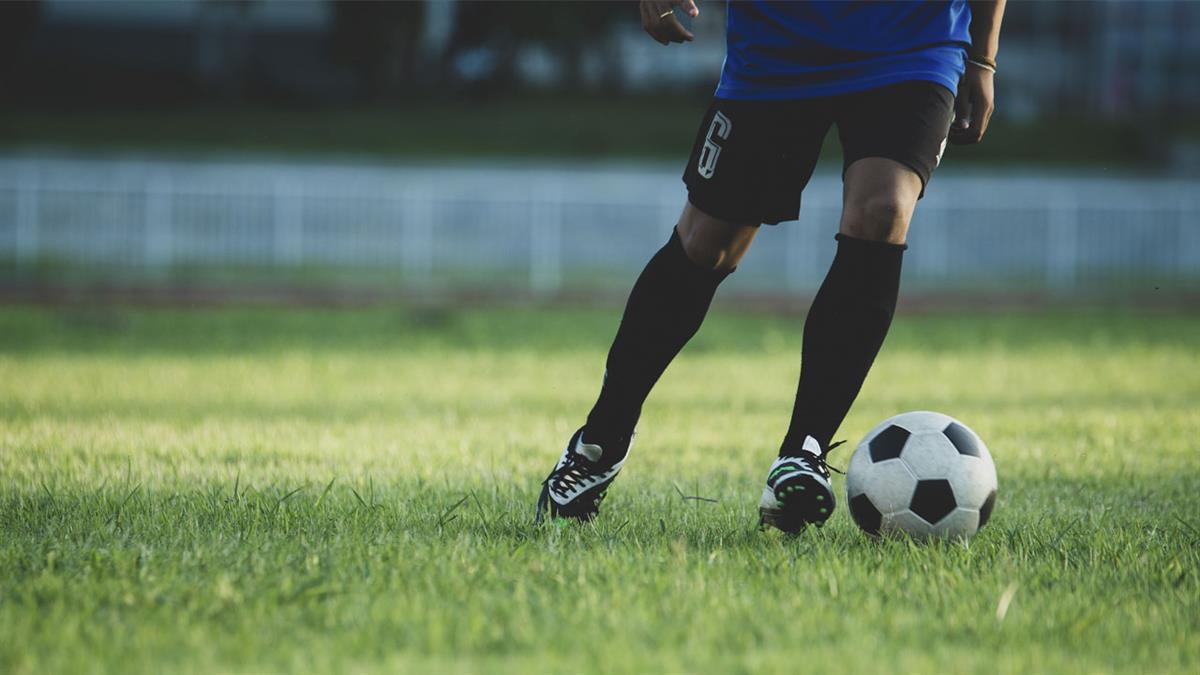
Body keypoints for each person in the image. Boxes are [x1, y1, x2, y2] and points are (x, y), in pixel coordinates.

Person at [536, 0, 1006, 532]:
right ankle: (601, 440)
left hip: (914, 38)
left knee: (883, 210)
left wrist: (983, 58)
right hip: (780, 39)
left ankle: (803, 451)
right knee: (708, 241)